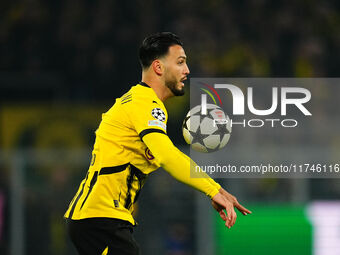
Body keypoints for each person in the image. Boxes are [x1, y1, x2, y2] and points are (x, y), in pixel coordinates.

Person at [64, 32, 251, 255]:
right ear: (158, 67)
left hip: (101, 219)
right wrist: (212, 190)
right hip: (100, 219)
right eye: (180, 62)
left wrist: (218, 189)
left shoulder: (141, 103)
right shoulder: (145, 103)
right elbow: (167, 155)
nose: (187, 70)